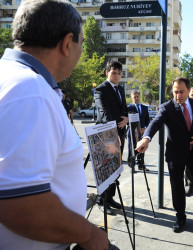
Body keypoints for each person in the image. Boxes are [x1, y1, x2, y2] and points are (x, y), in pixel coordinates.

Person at [0, 1, 108, 249]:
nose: (80, 53)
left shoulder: (14, 79)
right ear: (67, 43)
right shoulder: (29, 90)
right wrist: (89, 234)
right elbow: (22, 206)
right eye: (82, 43)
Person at [135, 77, 193, 233]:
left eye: (181, 92)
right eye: (175, 92)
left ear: (189, 91)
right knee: (177, 187)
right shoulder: (167, 108)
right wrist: (146, 138)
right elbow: (155, 123)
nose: (178, 96)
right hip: (175, 154)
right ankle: (181, 217)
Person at [95, 61, 129, 215]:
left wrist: (127, 119)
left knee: (116, 168)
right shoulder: (100, 90)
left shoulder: (120, 89)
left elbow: (124, 109)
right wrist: (114, 136)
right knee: (106, 168)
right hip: (107, 135)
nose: (116, 75)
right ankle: (101, 200)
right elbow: (105, 114)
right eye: (113, 72)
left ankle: (110, 198)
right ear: (106, 72)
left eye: (119, 73)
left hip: (120, 134)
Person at [127, 90, 150, 172]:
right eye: (134, 97)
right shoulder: (129, 108)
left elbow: (148, 120)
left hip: (142, 133)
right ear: (131, 98)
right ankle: (132, 166)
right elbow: (127, 121)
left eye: (137, 96)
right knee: (132, 150)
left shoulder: (144, 107)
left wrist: (145, 128)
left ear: (140, 97)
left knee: (142, 149)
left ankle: (141, 165)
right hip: (132, 133)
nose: (136, 98)